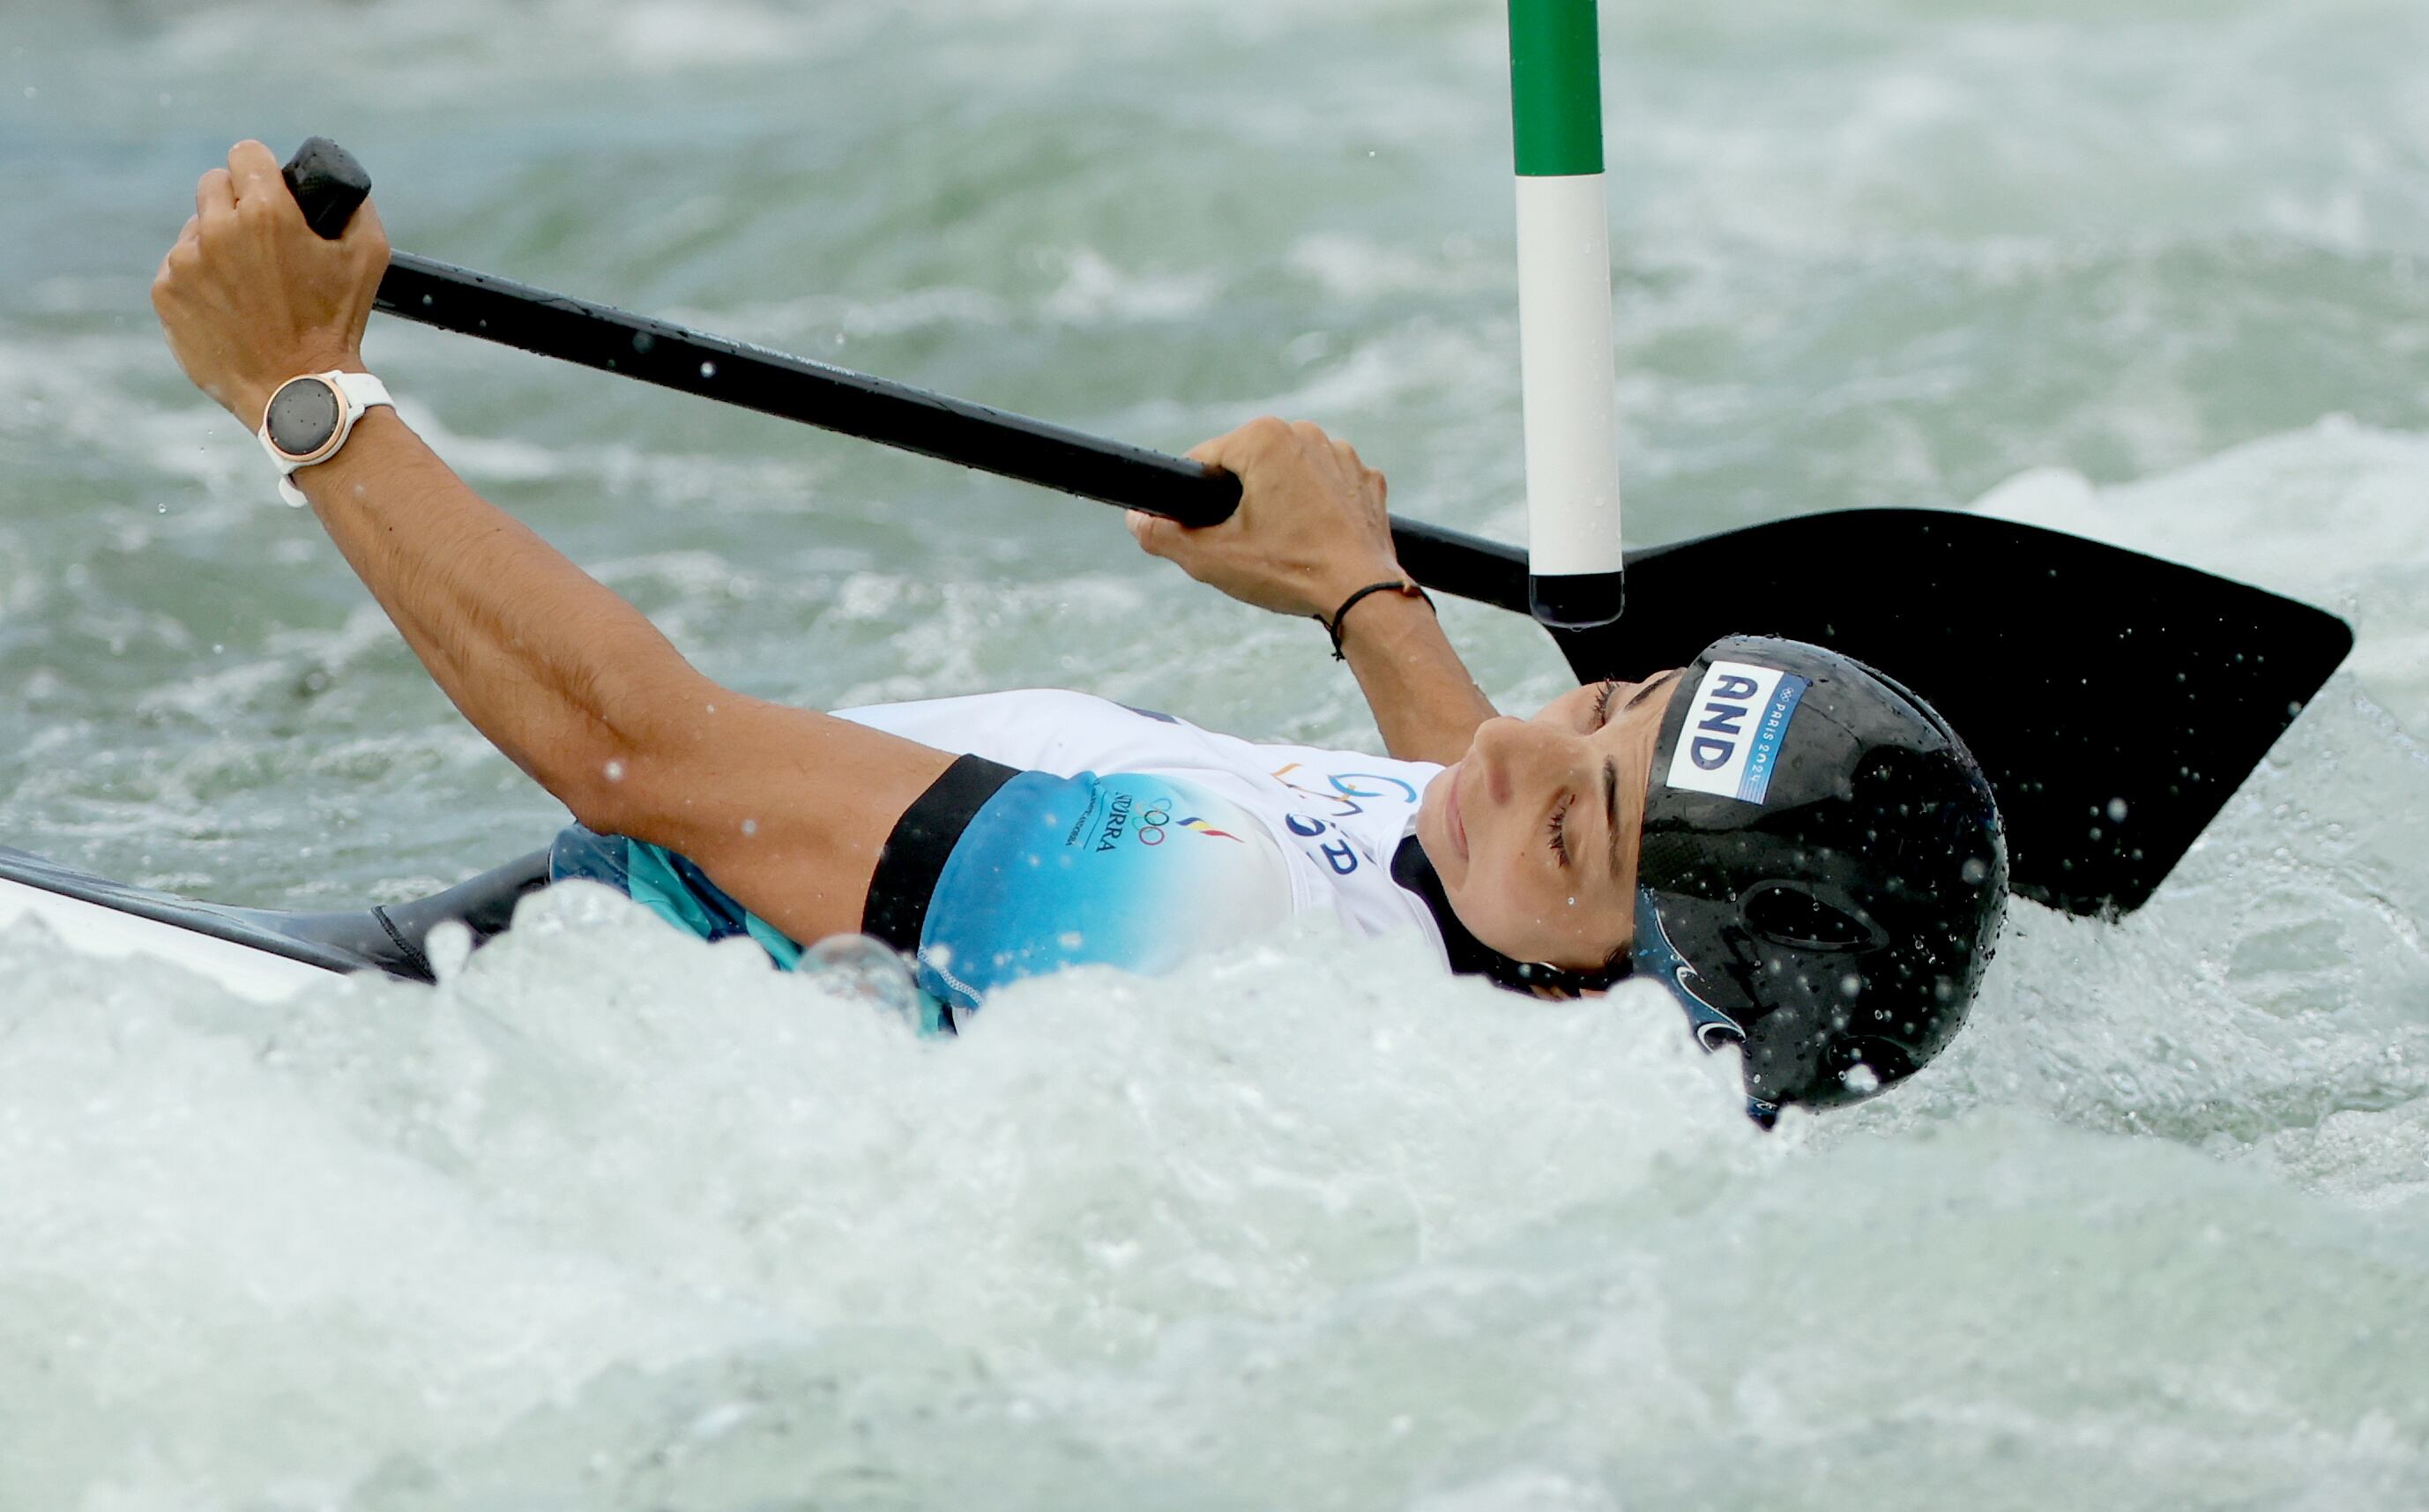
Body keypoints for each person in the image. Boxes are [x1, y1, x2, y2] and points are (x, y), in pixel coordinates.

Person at [151, 141, 2007, 1124]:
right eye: (1613, 698)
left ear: (1620, 996)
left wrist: (307, 396)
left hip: (477, 1008)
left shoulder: (1194, 903)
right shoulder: (1597, 1047)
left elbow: (648, 754)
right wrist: (1359, 589)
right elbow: (1464, 844)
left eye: (1579, 817)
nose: (1522, 741)